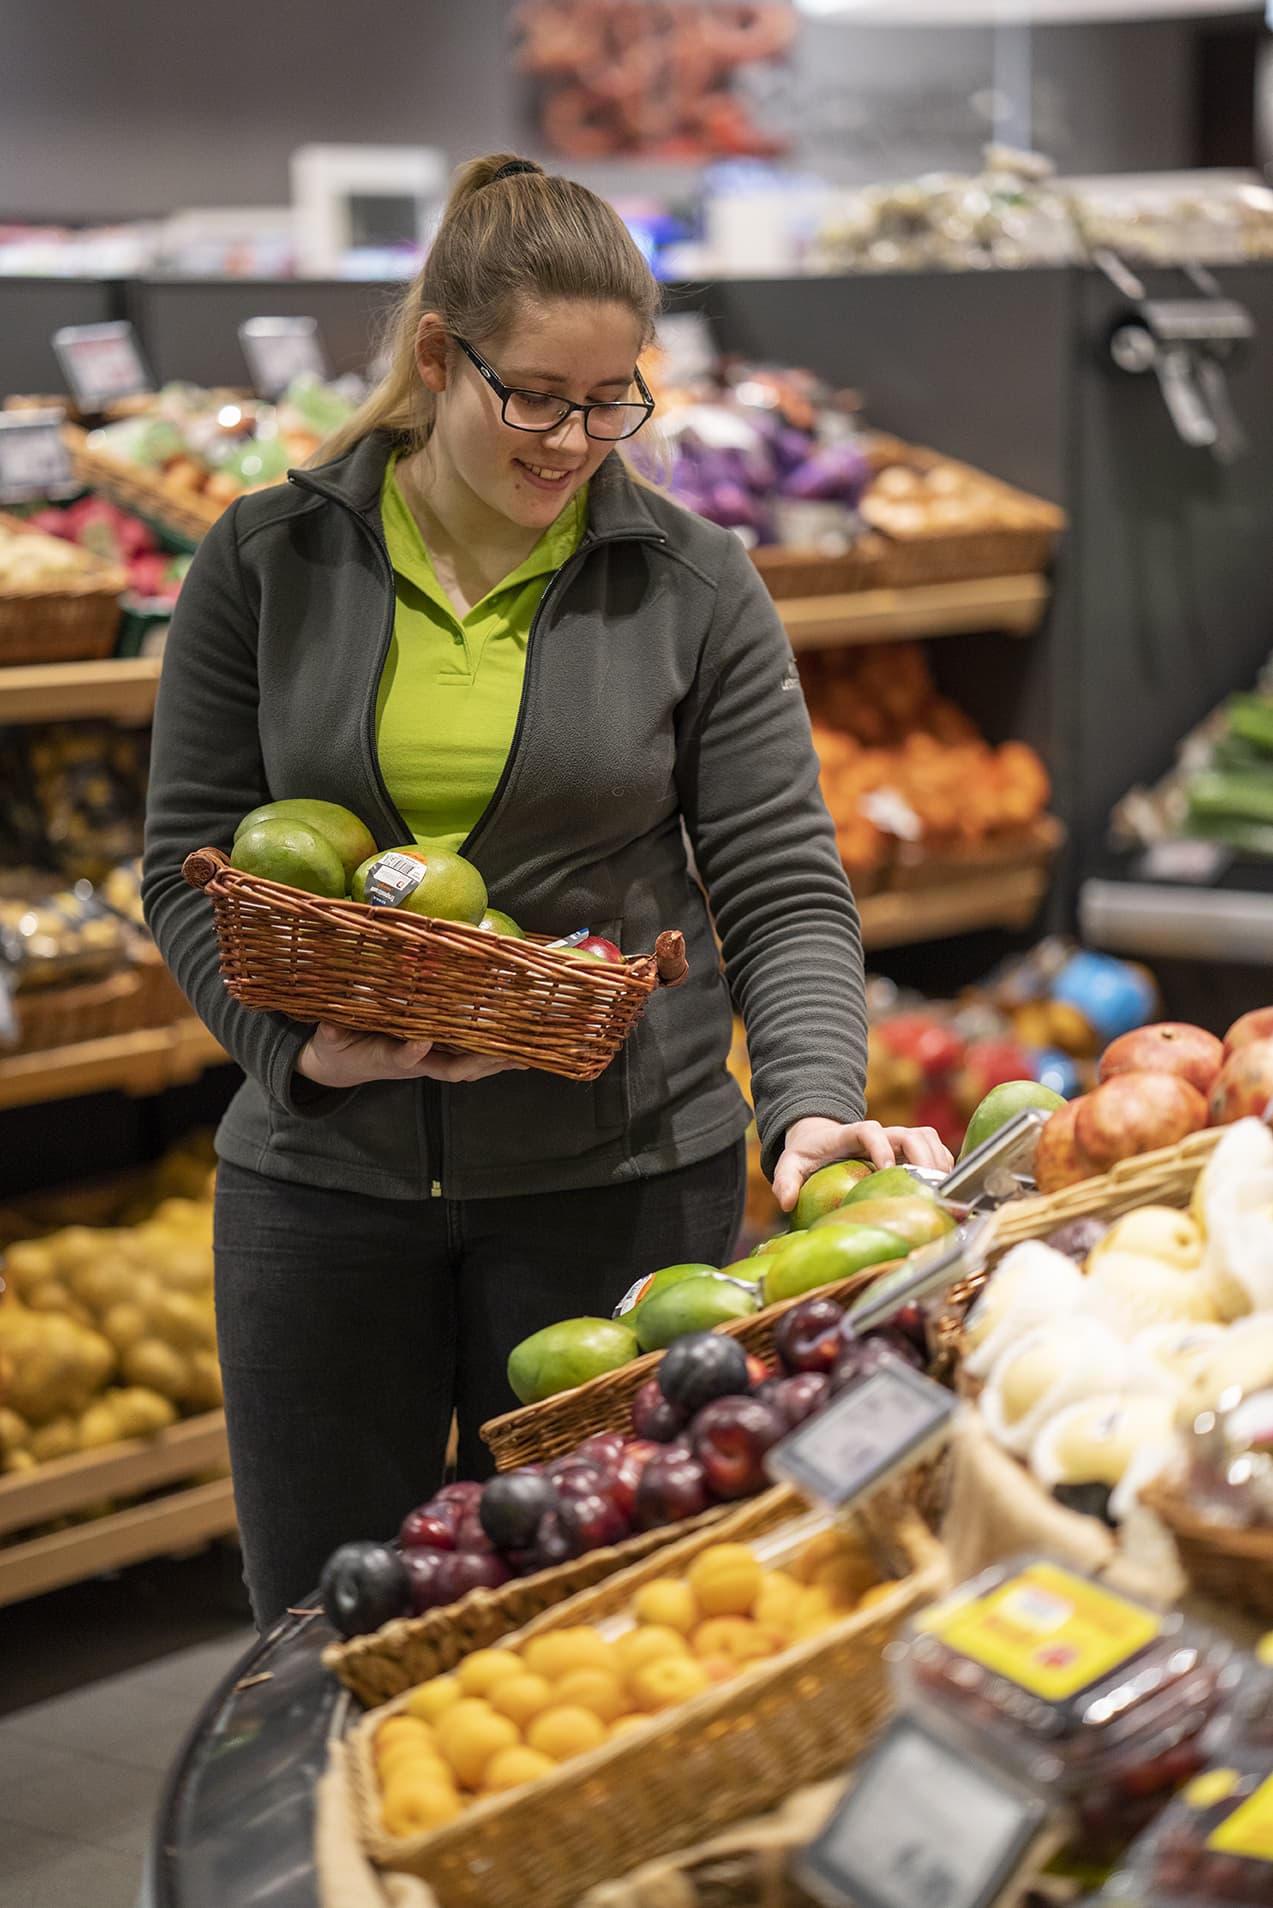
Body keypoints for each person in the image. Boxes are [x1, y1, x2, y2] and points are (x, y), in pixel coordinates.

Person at [143, 153, 952, 1630]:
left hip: (620, 1193)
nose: (575, 440)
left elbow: (781, 883)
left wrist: (811, 1100)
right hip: (324, 1200)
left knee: (602, 1624)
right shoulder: (268, 560)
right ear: (437, 357)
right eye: (535, 397)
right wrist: (298, 1057)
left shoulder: (694, 582)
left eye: (609, 400)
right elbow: (186, 858)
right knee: (328, 1630)